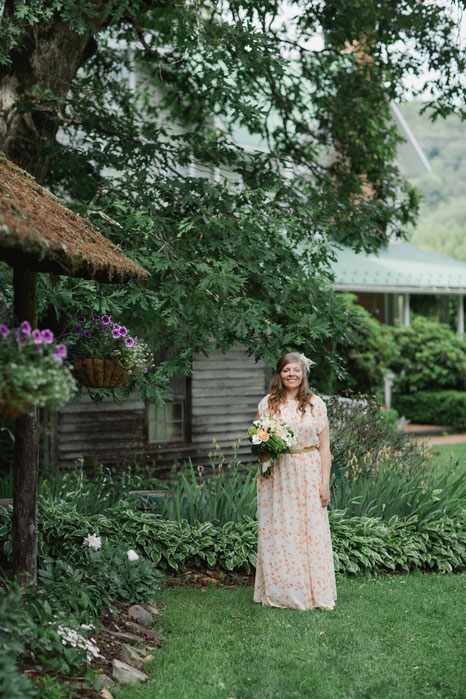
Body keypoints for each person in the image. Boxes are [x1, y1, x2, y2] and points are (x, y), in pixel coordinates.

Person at [253, 352, 337, 611]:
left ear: (303, 374)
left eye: (296, 370)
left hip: (308, 472)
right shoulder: (268, 404)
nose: (292, 374)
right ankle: (282, 591)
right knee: (280, 529)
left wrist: (324, 483)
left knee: (309, 530)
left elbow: (325, 448)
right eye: (287, 370)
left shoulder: (315, 404)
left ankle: (313, 593)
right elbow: (261, 439)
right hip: (277, 475)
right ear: (279, 373)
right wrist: (265, 450)